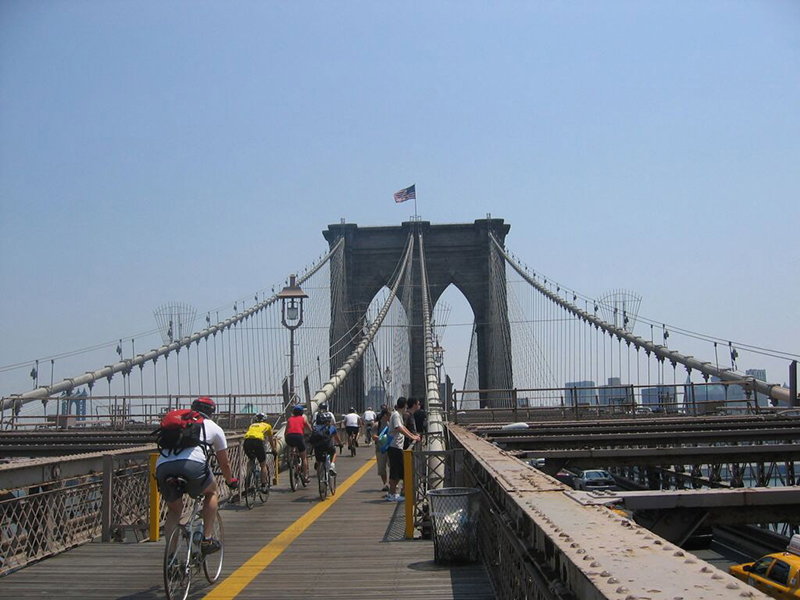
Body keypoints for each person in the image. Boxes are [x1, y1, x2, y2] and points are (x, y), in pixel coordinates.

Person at [156, 396, 237, 555]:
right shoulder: (214, 428)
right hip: (192, 466)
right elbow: (225, 464)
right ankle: (207, 539)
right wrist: (230, 480)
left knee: (174, 512)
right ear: (212, 413)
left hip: (163, 466)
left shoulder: (180, 424)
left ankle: (171, 558)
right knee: (211, 492)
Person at [387, 397, 419, 501]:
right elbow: (399, 428)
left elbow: (403, 428)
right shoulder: (396, 415)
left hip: (397, 447)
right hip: (395, 447)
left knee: (398, 471)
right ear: (404, 405)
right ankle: (392, 494)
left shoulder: (398, 415)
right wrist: (411, 437)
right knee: (396, 471)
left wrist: (412, 436)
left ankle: (393, 494)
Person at [243, 413, 277, 492]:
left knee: (251, 460)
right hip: (257, 442)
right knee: (263, 464)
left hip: (247, 442)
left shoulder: (252, 425)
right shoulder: (267, 426)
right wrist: (273, 449)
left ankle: (248, 478)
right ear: (265, 420)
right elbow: (271, 440)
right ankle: (263, 485)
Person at [285, 405, 312, 483]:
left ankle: (291, 457)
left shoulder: (289, 419)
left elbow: (286, 432)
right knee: (304, 457)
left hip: (289, 437)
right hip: (299, 437)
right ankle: (305, 476)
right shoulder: (303, 419)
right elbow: (310, 430)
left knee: (292, 446)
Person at [312, 401, 340, 475]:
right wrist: (340, 444)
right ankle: (332, 465)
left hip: (317, 441)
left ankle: (319, 480)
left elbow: (313, 424)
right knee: (333, 452)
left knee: (318, 458)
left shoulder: (316, 414)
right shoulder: (330, 415)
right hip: (327, 443)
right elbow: (334, 423)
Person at [372, 408, 391, 491]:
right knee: (382, 467)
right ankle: (385, 484)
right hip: (380, 448)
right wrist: (383, 438)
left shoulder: (390, 424)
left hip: (390, 448)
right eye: (389, 415)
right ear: (385, 415)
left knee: (392, 466)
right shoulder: (377, 425)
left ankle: (391, 482)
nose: (390, 416)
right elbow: (373, 436)